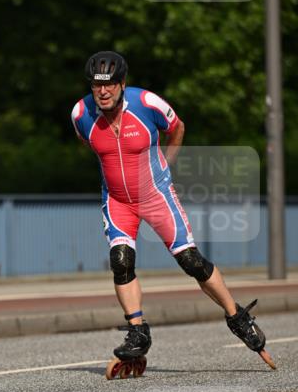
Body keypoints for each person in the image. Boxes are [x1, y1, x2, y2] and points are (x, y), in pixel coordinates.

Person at [71, 50, 275, 369]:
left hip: (155, 195)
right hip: (117, 200)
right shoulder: (81, 114)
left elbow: (177, 128)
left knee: (190, 261)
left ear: (123, 84)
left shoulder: (148, 104)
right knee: (121, 261)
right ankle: (138, 331)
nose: (104, 91)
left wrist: (167, 163)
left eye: (110, 84)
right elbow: (90, 144)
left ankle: (237, 317)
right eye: (97, 85)